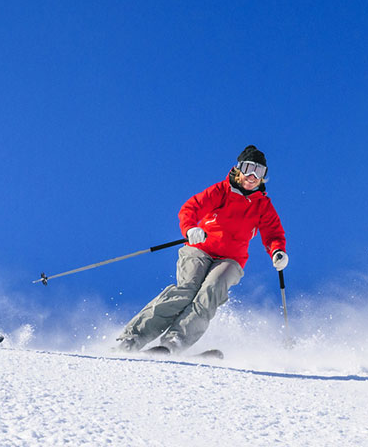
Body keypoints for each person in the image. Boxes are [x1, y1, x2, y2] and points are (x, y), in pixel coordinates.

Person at [115, 145, 287, 354]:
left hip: (230, 260)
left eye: (259, 171)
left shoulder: (263, 206)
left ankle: (173, 343)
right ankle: (131, 339)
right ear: (238, 169)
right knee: (187, 290)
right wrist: (190, 229)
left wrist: (277, 251)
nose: (252, 175)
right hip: (200, 249)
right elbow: (191, 208)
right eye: (248, 168)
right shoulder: (221, 191)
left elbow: (273, 234)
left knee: (211, 291)